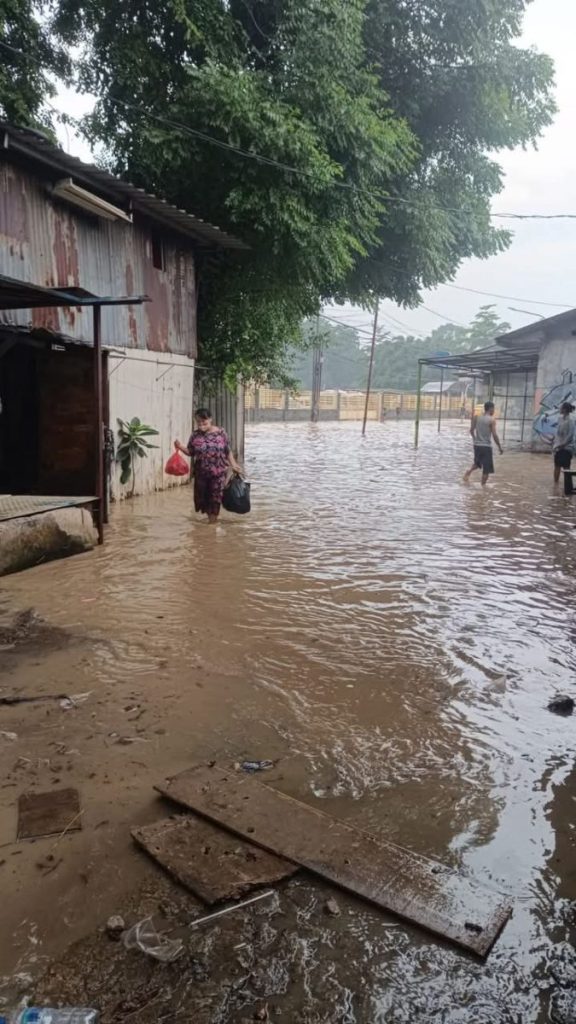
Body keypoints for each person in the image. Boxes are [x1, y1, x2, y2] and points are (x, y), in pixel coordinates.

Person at [175, 409, 242, 523]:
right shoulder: (195, 435)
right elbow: (191, 452)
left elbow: (227, 451)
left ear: (210, 419)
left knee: (215, 498)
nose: (201, 426)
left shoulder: (221, 432)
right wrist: (180, 446)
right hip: (201, 473)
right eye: (198, 423)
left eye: (204, 422)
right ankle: (210, 520)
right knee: (204, 499)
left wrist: (234, 464)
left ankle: (212, 523)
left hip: (219, 473)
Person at [463, 401, 503, 486]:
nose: (494, 411)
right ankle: (483, 489)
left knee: (477, 464)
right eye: (494, 409)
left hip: (477, 446)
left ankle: (468, 472)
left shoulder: (476, 417)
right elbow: (494, 435)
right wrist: (499, 447)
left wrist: (475, 439)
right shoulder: (492, 420)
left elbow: (471, 430)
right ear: (491, 408)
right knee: (486, 469)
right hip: (486, 447)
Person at [553, 401, 576, 484]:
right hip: (558, 447)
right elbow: (558, 433)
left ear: (565, 409)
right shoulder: (560, 419)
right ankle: (555, 486)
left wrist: (563, 444)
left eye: (561, 407)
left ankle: (568, 488)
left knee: (566, 467)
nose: (560, 409)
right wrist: (556, 444)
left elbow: (570, 435)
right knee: (557, 466)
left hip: (567, 447)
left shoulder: (571, 420)